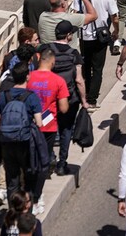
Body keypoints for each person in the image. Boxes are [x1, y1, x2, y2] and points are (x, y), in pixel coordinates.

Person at [38, 20, 89, 176]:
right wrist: (84, 101)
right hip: (69, 100)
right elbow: (79, 80)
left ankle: (49, 158)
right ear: (68, 36)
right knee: (66, 130)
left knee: (47, 129)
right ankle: (61, 164)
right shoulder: (74, 54)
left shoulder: (45, 49)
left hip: (48, 100)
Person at [0, 62, 43, 208]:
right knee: (28, 178)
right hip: (26, 143)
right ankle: (26, 211)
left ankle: (13, 212)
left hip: (7, 143)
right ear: (27, 77)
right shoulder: (32, 97)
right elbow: (39, 123)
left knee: (11, 180)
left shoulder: (3, 96)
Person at [71, 0, 120, 109]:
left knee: (85, 66)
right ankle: (92, 99)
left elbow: (74, 13)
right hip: (101, 36)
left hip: (84, 35)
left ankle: (83, 95)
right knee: (98, 68)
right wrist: (116, 31)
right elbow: (115, 17)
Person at [26, 48, 69, 178]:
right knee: (44, 155)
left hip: (29, 123)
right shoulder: (59, 80)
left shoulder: (28, 77)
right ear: (52, 62)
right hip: (49, 125)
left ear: (39, 59)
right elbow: (63, 108)